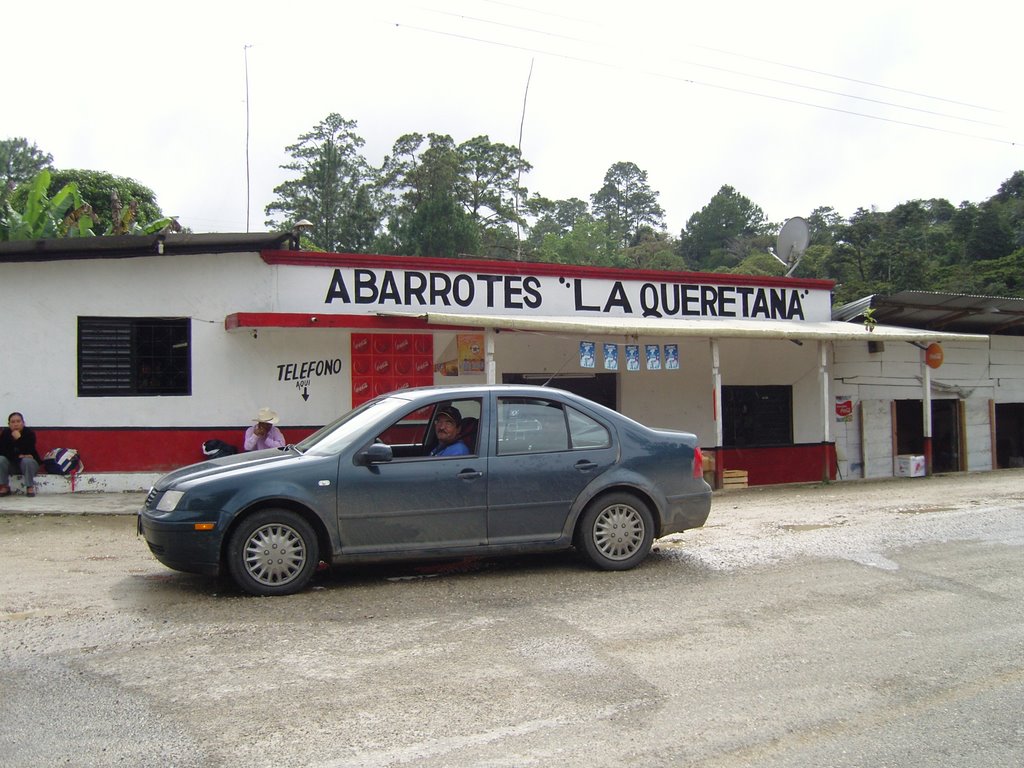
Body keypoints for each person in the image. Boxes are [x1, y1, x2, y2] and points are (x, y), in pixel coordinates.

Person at [0, 412, 42, 497]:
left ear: (23, 423)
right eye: (13, 422)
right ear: (9, 424)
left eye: (18, 421)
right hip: (12, 464)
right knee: (1, 459)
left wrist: (19, 438)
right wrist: (18, 456)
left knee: (27, 461)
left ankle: (29, 487)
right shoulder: (5, 433)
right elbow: (3, 451)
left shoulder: (29, 433)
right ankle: (4, 486)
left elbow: (29, 450)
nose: (16, 424)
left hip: (28, 466)